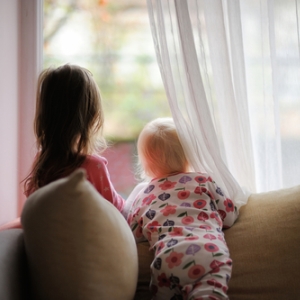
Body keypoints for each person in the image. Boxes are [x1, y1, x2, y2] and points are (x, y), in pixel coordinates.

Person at [126, 117, 238, 300]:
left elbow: (135, 235)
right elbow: (229, 217)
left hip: (166, 261)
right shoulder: (203, 180)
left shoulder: (143, 195)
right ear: (190, 155)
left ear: (145, 165)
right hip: (207, 253)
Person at [23, 64, 124, 212]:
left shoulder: (42, 162)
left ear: (45, 116)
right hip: (88, 234)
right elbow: (114, 209)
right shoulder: (93, 166)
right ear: (92, 116)